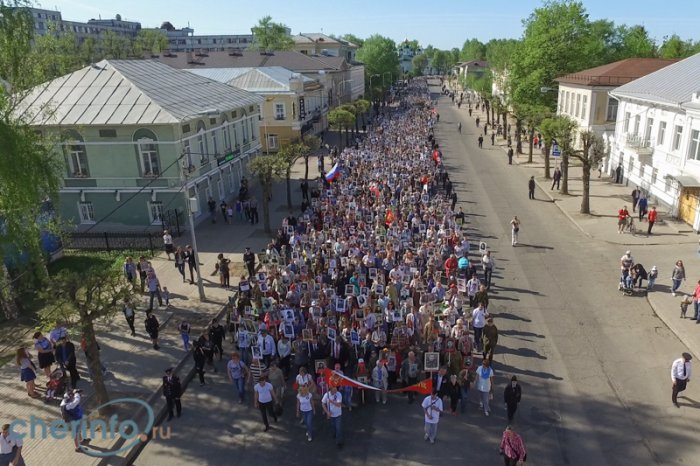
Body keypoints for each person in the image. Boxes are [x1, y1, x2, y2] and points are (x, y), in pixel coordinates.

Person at [322, 384, 343, 448]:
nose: (336, 389)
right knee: (333, 426)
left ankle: (338, 442)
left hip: (338, 415)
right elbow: (323, 403)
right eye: (334, 388)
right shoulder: (326, 395)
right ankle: (334, 434)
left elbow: (339, 405)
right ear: (331, 388)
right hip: (331, 415)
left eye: (336, 388)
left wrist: (331, 401)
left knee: (338, 428)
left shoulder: (339, 394)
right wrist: (327, 412)